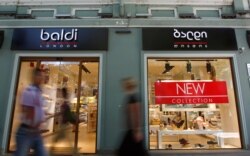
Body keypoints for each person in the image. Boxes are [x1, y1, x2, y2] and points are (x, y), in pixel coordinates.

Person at [14, 68, 48, 156]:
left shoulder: (39, 92)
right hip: (26, 131)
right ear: (34, 77)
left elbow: (38, 109)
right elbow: (27, 111)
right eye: (40, 76)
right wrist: (34, 125)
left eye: (43, 76)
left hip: (35, 131)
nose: (43, 78)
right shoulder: (29, 91)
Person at [117, 77, 149, 156]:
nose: (123, 87)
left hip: (132, 131)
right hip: (131, 130)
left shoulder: (133, 98)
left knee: (123, 151)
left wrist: (137, 131)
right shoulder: (131, 97)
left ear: (128, 86)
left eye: (125, 85)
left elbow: (136, 114)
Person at [50, 87, 77, 155]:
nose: (59, 93)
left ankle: (51, 150)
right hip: (64, 123)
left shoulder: (64, 103)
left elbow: (62, 112)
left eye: (60, 92)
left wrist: (51, 115)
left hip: (63, 123)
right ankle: (75, 152)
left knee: (60, 137)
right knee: (63, 138)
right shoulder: (66, 102)